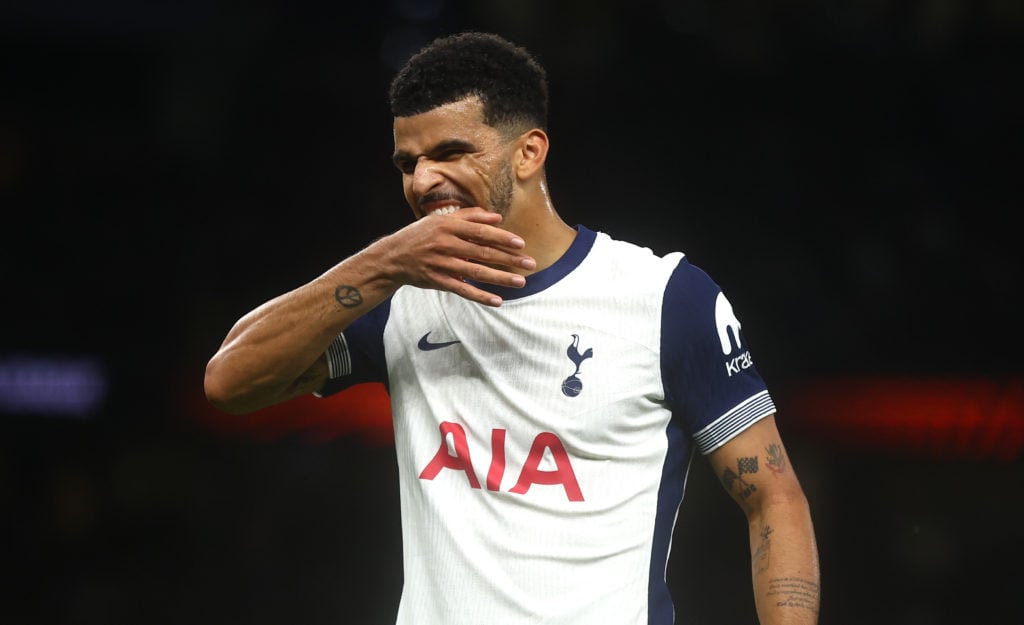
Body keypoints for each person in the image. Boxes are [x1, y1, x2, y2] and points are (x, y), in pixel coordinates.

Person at [204, 31, 820, 625]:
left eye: (449, 153)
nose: (422, 182)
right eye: (408, 162)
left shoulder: (663, 299)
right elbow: (229, 383)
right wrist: (384, 262)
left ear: (528, 152)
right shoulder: (399, 297)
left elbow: (772, 497)